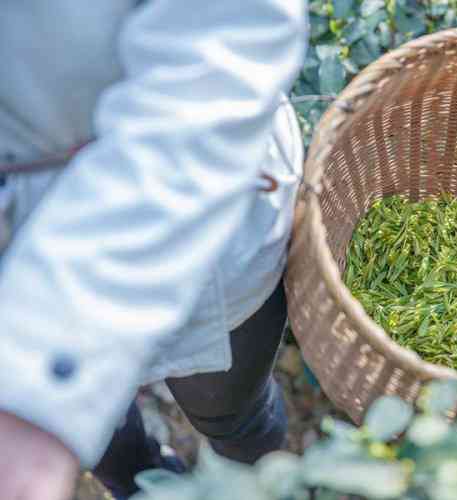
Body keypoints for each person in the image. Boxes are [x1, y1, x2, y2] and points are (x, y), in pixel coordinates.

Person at [0, 1, 308, 499]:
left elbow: (227, 43)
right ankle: (142, 483)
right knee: (99, 432)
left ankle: (254, 488)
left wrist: (50, 373)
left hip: (191, 202)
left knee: (234, 415)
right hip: (15, 261)